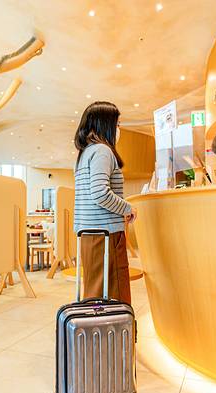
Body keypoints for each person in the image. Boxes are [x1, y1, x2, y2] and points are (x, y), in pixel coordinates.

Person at [73, 101, 136, 304]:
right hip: (106, 234)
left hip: (89, 234)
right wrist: (127, 208)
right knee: (114, 296)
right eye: (117, 124)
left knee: (95, 295)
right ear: (105, 125)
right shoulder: (102, 151)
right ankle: (115, 327)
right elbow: (100, 193)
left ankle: (95, 326)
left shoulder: (86, 153)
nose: (118, 129)